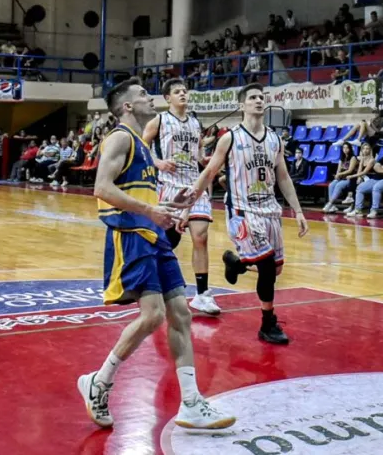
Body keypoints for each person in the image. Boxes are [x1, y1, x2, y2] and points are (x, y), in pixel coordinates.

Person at [77, 78, 234, 431]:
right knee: (153, 315)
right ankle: (99, 381)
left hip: (154, 234)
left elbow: (140, 194)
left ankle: (191, 403)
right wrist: (149, 211)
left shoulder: (142, 146)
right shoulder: (119, 138)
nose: (150, 98)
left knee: (181, 313)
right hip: (131, 234)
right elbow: (101, 188)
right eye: (143, 95)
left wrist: (169, 205)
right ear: (127, 106)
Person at [193, 83, 309, 344]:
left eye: (261, 97)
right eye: (253, 97)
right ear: (242, 105)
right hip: (242, 211)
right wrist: (191, 196)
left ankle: (237, 263)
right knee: (266, 266)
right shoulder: (230, 138)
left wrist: (298, 210)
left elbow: (283, 177)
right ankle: (268, 323)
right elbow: (210, 171)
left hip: (270, 210)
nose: (259, 101)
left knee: (274, 270)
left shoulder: (275, 139)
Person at [143, 78, 221, 316]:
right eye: (177, 92)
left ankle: (202, 294)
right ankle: (155, 284)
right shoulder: (159, 120)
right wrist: (158, 162)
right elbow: (141, 147)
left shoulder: (195, 122)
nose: (183, 94)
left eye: (185, 91)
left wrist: (206, 160)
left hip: (194, 185)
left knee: (200, 236)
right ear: (168, 98)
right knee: (167, 242)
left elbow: (198, 154)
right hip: (169, 186)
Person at [349, 143, 383, 219]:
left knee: (376, 187)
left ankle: (374, 210)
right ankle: (358, 210)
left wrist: (381, 167)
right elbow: (376, 167)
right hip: (376, 179)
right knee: (360, 187)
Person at [322, 142, 358, 213]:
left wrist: (340, 174)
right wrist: (337, 176)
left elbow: (350, 170)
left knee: (338, 185)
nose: (345, 149)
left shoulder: (353, 158)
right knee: (331, 184)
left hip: (349, 178)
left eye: (347, 148)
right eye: (344, 148)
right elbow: (338, 170)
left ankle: (329, 204)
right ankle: (333, 206)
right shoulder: (342, 158)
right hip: (341, 177)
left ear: (350, 149)